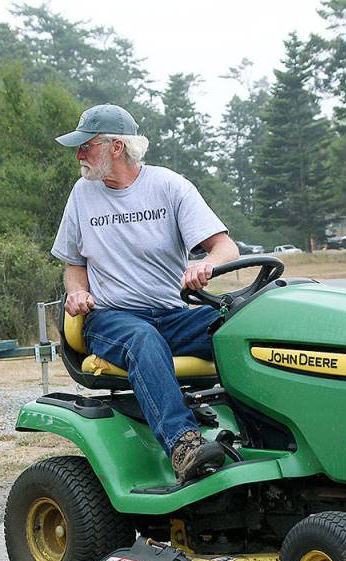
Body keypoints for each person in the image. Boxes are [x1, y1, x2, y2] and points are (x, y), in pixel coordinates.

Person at [50, 104, 240, 484]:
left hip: (172, 314)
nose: (79, 155)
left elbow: (225, 248)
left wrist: (206, 265)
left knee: (241, 326)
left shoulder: (169, 186)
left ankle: (268, 433)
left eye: (86, 146)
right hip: (111, 319)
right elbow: (74, 267)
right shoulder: (82, 194)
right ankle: (184, 446)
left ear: (116, 147)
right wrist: (76, 294)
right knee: (143, 339)